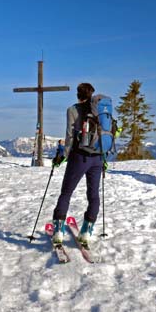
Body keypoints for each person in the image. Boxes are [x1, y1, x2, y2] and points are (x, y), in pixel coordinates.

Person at [51, 82, 103, 246]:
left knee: (66, 192)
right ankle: (86, 232)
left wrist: (62, 156)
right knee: (93, 195)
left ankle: (58, 231)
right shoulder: (100, 110)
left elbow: (70, 136)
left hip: (80, 157)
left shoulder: (72, 110)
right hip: (98, 157)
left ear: (77, 95)